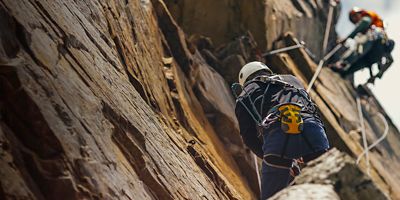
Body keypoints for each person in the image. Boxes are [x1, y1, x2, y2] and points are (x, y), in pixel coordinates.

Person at [233, 61, 330, 199]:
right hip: (313, 129)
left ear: (245, 80)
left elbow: (249, 137)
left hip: (278, 135)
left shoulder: (245, 93)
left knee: (272, 196)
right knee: (328, 184)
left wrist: (266, 155)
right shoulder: (292, 80)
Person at [331, 7, 395, 84]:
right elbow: (390, 61)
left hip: (373, 39)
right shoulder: (384, 39)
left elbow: (364, 23)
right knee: (363, 61)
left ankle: (341, 65)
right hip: (376, 55)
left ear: (358, 13)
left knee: (359, 48)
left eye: (354, 18)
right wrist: (378, 74)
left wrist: (347, 38)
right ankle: (345, 72)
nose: (355, 22)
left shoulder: (367, 18)